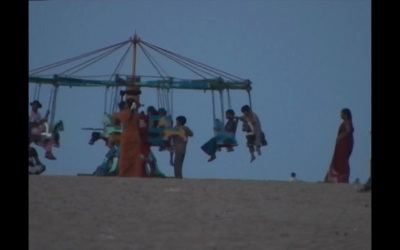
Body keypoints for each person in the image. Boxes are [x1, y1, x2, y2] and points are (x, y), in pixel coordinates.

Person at [113, 98, 143, 177]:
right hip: (135, 135)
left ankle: (123, 173)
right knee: (135, 156)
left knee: (124, 156)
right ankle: (135, 173)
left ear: (126, 105)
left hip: (127, 135)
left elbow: (117, 117)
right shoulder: (136, 114)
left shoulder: (123, 114)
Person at [324, 108, 354, 183]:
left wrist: (341, 136)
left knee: (342, 160)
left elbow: (348, 130)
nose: (340, 115)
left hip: (344, 145)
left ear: (345, 115)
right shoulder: (345, 122)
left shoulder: (347, 122)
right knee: (339, 159)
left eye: (342, 113)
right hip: (341, 144)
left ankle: (340, 177)